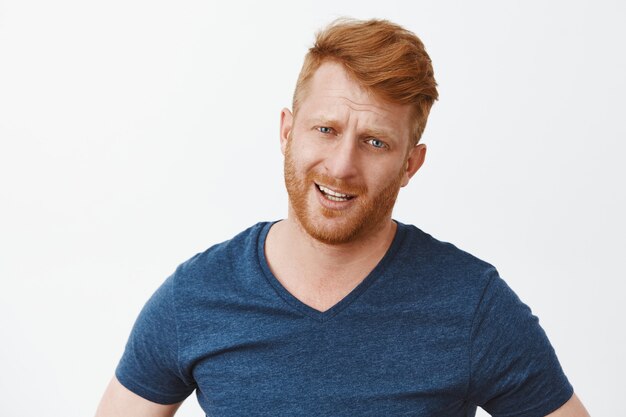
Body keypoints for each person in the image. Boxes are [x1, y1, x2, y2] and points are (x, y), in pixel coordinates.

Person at [95, 18, 590, 417]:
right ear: (288, 132)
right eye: (326, 129)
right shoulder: (197, 296)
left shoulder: (471, 304)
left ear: (410, 165)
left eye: (375, 142)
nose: (342, 166)